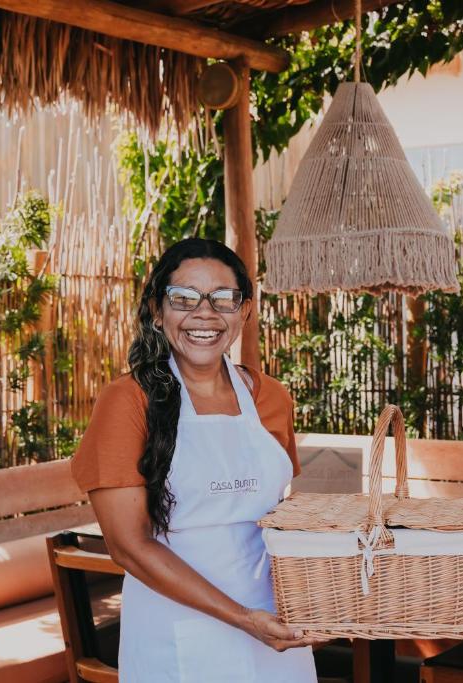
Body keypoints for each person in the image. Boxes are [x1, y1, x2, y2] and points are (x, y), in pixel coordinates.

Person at [71, 238, 319, 682]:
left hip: (276, 627)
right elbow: (129, 546)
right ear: (156, 309)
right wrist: (242, 618)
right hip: (178, 631)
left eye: (223, 299)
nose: (205, 313)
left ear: (243, 312)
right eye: (184, 298)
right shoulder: (126, 402)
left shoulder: (273, 398)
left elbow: (283, 517)